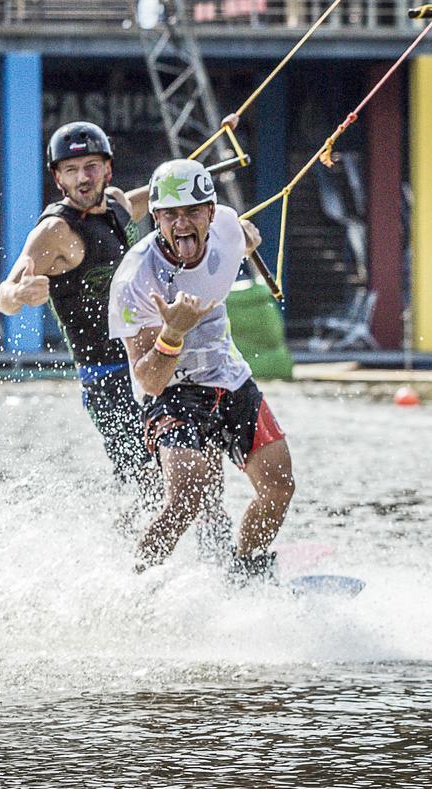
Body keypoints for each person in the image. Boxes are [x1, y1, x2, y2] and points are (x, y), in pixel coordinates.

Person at [0, 122, 233, 547]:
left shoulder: (119, 205)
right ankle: (121, 563)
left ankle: (222, 560)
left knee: (202, 461)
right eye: (70, 170)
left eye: (91, 166)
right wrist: (20, 293)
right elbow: (4, 297)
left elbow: (165, 197)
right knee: (149, 485)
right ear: (57, 177)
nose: (82, 178)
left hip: (152, 364)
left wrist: (210, 159)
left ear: (108, 169)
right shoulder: (54, 231)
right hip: (108, 380)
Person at [108, 158, 295, 582]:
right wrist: (172, 333)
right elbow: (148, 380)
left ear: (211, 212)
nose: (182, 225)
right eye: (170, 215)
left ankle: (245, 572)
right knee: (187, 498)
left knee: (279, 485)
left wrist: (246, 240)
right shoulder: (136, 279)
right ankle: (135, 586)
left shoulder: (227, 227)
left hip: (228, 379)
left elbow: (238, 234)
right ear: (155, 219)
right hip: (172, 392)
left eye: (193, 212)